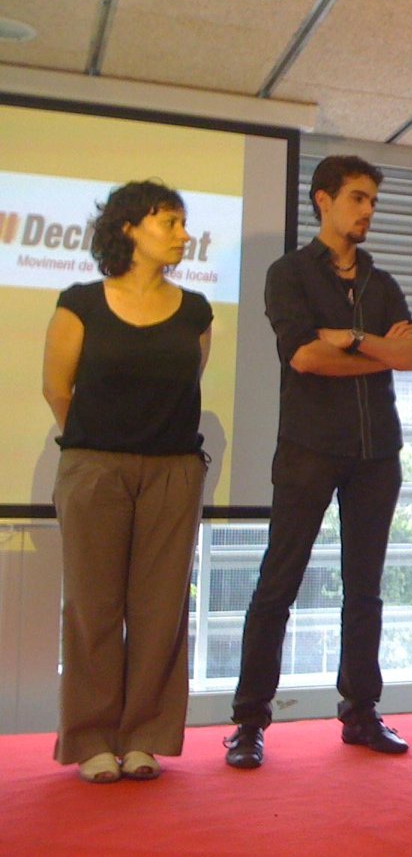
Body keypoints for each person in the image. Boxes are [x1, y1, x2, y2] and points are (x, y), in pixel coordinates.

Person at [225, 156, 412, 768]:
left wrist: (354, 338)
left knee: (365, 589)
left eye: (373, 201)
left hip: (377, 452)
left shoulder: (382, 283)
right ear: (323, 200)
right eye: (358, 198)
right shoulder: (288, 274)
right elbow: (305, 358)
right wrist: (381, 350)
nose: (368, 210)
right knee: (278, 582)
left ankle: (360, 711)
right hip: (309, 448)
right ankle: (249, 721)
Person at [42, 180, 211, 782]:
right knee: (92, 607)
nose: (184, 235)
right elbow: (56, 389)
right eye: (170, 222)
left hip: (173, 470)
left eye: (184, 223)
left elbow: (186, 385)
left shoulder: (196, 310)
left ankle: (144, 737)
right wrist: (101, 444)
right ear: (129, 229)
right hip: (95, 468)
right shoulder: (80, 303)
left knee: (160, 609)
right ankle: (91, 739)